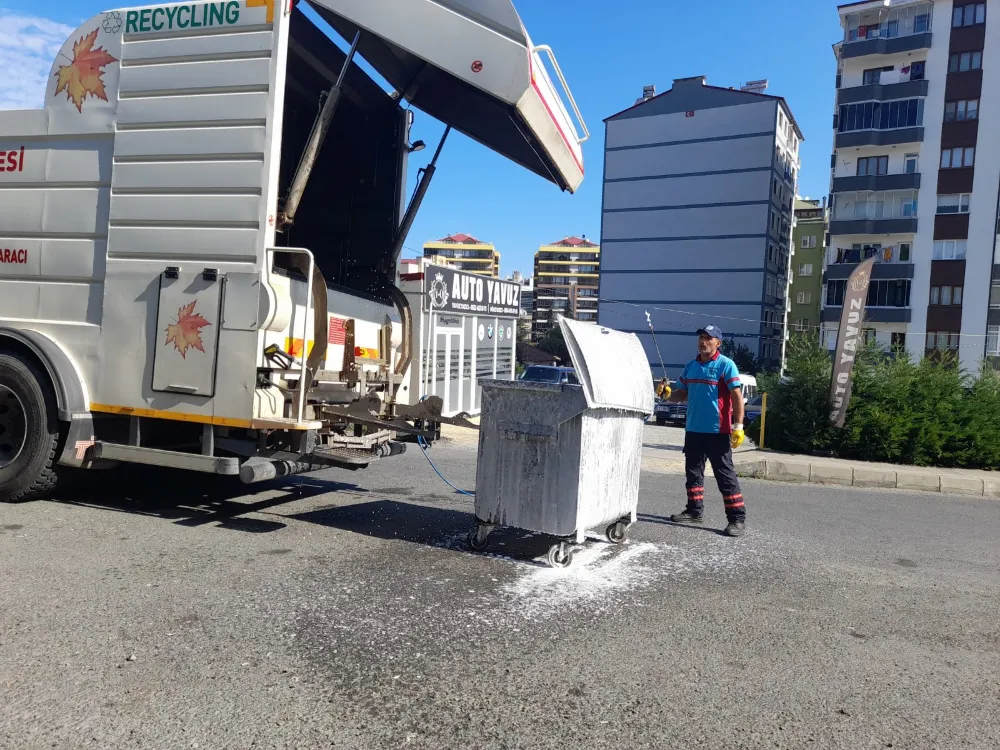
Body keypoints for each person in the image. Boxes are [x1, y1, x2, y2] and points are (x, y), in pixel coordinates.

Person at [665, 324, 747, 537]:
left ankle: (737, 519)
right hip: (693, 430)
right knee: (693, 474)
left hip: (717, 432)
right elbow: (681, 395)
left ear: (718, 343)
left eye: (709, 338)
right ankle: (694, 511)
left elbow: (737, 397)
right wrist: (666, 394)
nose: (703, 341)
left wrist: (738, 426)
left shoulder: (726, 365)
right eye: (701, 337)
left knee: (725, 477)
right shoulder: (691, 366)